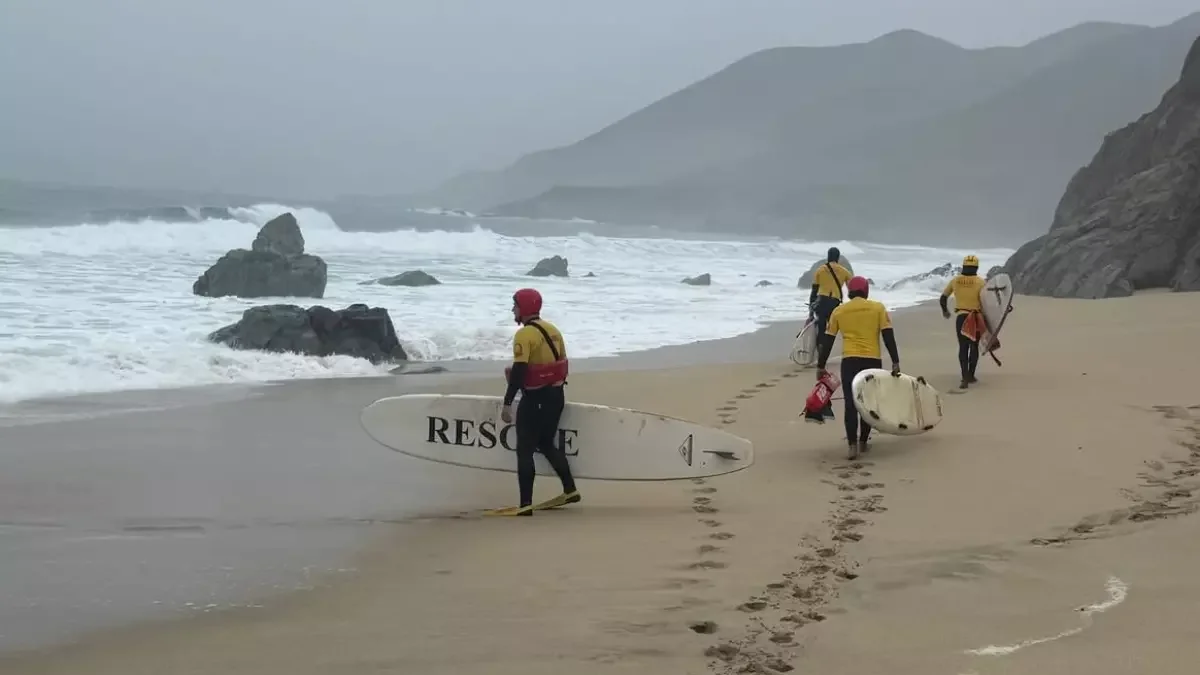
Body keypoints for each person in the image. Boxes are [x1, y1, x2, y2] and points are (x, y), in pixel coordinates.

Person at [500, 288, 580, 516]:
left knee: (524, 450)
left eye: (515, 305)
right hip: (556, 396)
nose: (513, 310)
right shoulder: (553, 330)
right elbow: (561, 362)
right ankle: (570, 490)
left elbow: (519, 370)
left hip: (536, 400)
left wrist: (507, 403)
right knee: (545, 443)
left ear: (524, 308)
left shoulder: (524, 335)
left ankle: (525, 505)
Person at [814, 276, 901, 461]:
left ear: (850, 292)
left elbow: (828, 341)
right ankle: (863, 442)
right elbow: (888, 336)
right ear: (866, 291)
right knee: (868, 403)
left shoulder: (839, 311)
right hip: (872, 362)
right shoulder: (878, 308)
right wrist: (895, 361)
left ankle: (852, 446)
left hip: (850, 361)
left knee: (851, 404)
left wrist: (821, 365)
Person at [939, 255, 987, 390]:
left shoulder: (955, 281)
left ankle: (964, 377)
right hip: (975, 318)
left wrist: (945, 311)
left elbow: (943, 298)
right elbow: (987, 302)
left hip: (961, 317)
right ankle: (971, 376)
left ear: (964, 266)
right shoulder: (981, 282)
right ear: (976, 268)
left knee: (963, 347)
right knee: (974, 346)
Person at [808, 246, 853, 339]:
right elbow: (852, 291)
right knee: (832, 328)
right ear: (838, 258)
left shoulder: (820, 270)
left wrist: (811, 312)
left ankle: (820, 343)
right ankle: (827, 343)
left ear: (828, 256)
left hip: (822, 301)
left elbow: (814, 291)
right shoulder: (845, 272)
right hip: (834, 303)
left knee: (821, 326)